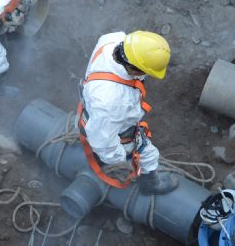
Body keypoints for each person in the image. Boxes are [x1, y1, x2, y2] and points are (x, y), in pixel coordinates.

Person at [76, 30, 179, 195]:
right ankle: (149, 186)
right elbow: (103, 143)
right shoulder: (113, 101)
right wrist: (120, 157)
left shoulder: (112, 40)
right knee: (149, 154)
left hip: (91, 114)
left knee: (101, 134)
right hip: (105, 128)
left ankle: (99, 158)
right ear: (135, 69)